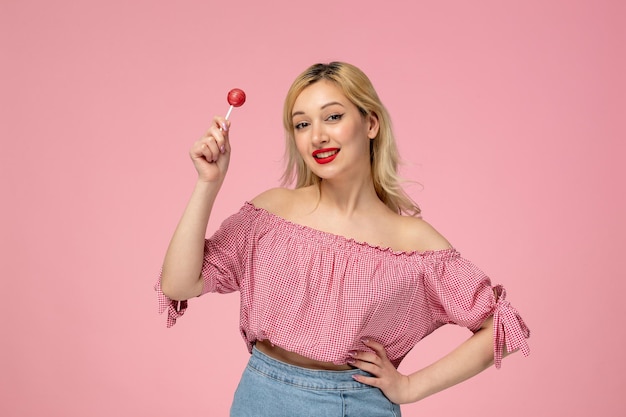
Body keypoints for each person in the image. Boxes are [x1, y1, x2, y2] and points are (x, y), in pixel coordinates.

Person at [155, 61, 530, 416]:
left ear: (371, 123)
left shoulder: (414, 243)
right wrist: (208, 184)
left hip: (355, 404)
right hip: (260, 395)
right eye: (301, 125)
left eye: (333, 117)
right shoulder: (270, 213)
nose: (317, 136)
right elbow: (178, 283)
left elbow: (503, 327)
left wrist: (411, 386)